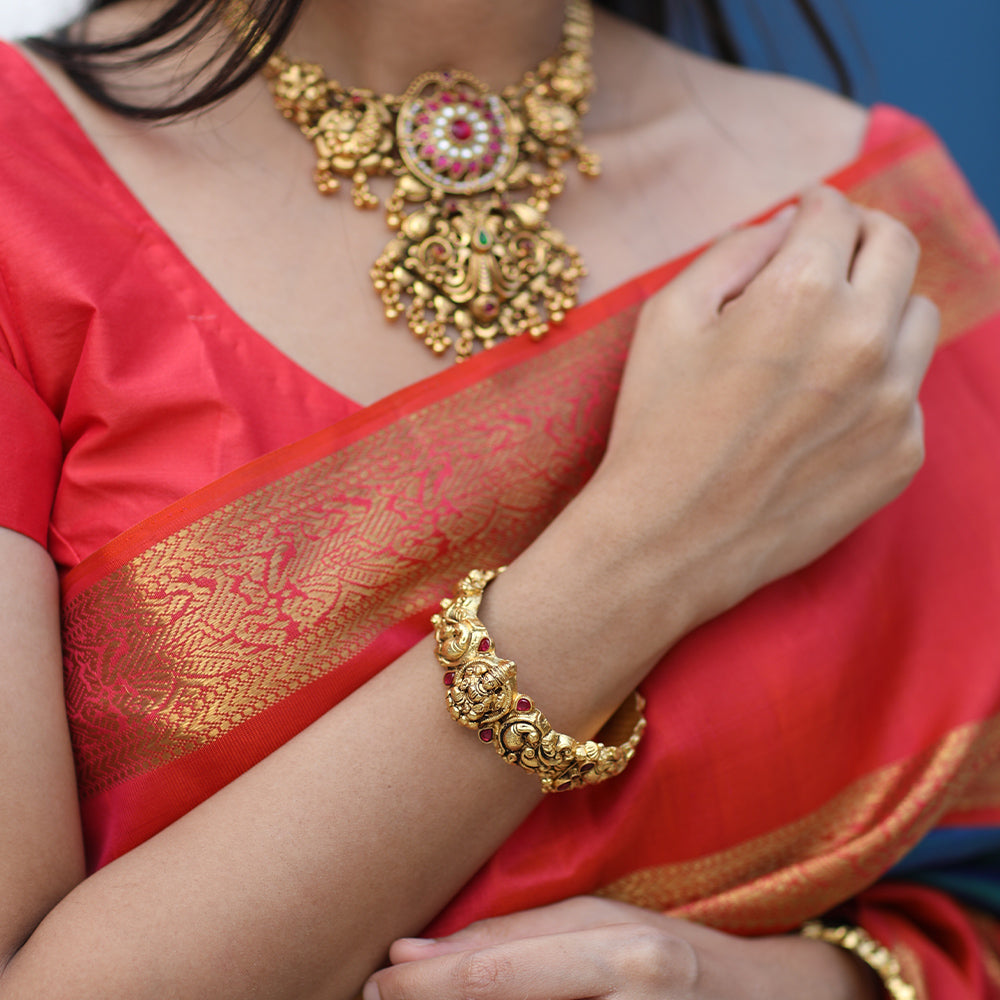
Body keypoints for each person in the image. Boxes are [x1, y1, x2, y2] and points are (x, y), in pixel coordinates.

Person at [0, 0, 999, 997]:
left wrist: (765, 985)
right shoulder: (25, 192)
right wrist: (644, 557)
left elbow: (970, 913)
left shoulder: (868, 249)